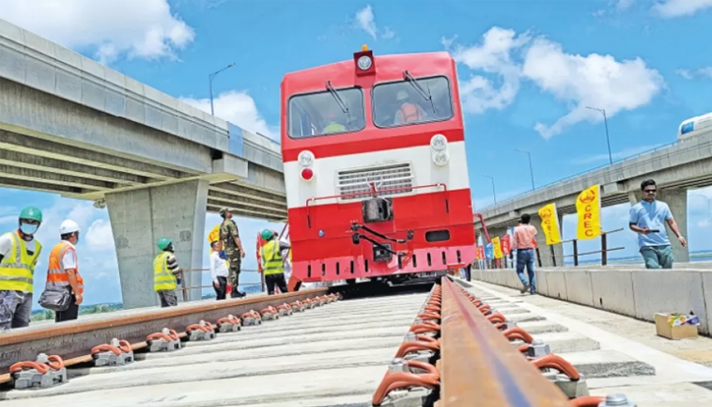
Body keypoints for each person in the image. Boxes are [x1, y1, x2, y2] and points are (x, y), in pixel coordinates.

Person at [0, 207, 43, 331]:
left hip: (26, 292)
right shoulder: (7, 239)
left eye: (33, 222)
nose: (29, 224)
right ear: (20, 221)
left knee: (22, 327)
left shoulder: (37, 246)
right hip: (6, 291)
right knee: (3, 326)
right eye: (26, 221)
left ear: (38, 225)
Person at [629, 179, 687, 269]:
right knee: (652, 267)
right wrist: (641, 230)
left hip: (664, 243)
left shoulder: (663, 206)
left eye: (653, 190)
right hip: (647, 244)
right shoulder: (636, 208)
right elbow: (631, 225)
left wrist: (679, 236)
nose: (651, 192)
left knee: (668, 270)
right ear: (642, 192)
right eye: (648, 191)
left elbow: (671, 221)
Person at [45, 220, 84, 323]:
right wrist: (77, 293)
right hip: (67, 293)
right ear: (73, 235)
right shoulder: (68, 250)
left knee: (61, 322)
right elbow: (70, 272)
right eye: (77, 234)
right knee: (68, 323)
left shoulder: (56, 249)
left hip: (57, 293)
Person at [219, 208, 246, 298]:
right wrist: (241, 249)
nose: (231, 213)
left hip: (227, 250)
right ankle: (234, 291)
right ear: (226, 214)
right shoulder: (230, 223)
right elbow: (235, 237)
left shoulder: (222, 225)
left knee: (231, 269)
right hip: (233, 249)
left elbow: (220, 240)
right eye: (229, 212)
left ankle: (232, 290)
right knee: (235, 269)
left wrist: (220, 251)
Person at [260, 229, 291, 295]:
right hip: (278, 272)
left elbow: (262, 262)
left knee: (271, 293)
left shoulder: (262, 248)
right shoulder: (277, 243)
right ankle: (287, 303)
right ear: (272, 235)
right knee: (284, 291)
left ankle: (272, 304)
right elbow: (289, 246)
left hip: (268, 274)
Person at [153, 238, 183, 307]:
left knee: (165, 307)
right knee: (172, 307)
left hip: (158, 286)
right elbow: (175, 270)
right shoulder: (169, 256)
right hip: (167, 285)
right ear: (168, 246)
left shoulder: (157, 258)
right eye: (171, 244)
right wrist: (179, 279)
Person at [512, 213, 537, 294]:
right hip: (530, 250)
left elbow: (514, 242)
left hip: (521, 251)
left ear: (521, 220)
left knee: (519, 270)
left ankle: (525, 283)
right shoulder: (532, 228)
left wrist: (511, 251)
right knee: (531, 271)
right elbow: (534, 235)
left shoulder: (517, 229)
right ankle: (532, 289)